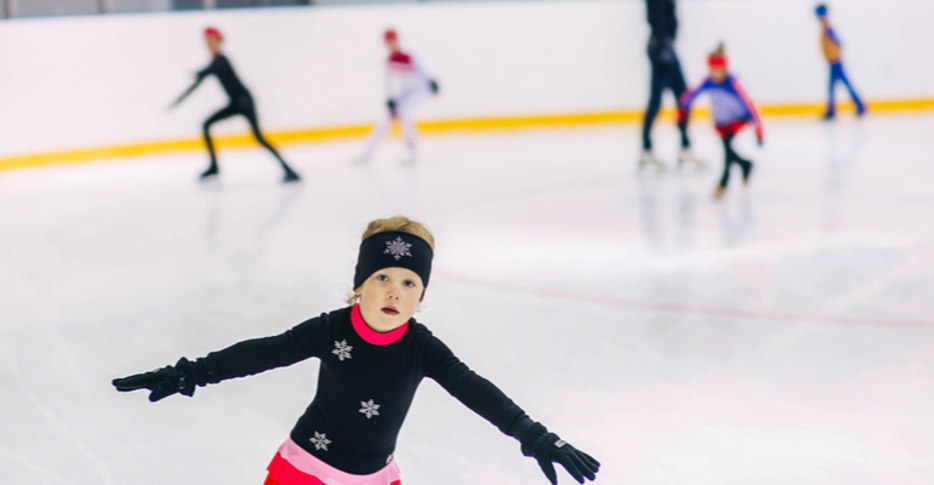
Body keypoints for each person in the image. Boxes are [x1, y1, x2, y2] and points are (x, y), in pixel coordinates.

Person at [112, 216, 600, 485]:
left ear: (420, 296)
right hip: (306, 472)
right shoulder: (331, 330)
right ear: (358, 286)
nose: (394, 291)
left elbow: (475, 389)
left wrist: (534, 434)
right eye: (382, 277)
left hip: (376, 478)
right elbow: (264, 352)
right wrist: (191, 372)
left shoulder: (421, 348)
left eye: (409, 283)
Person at [171, 27, 301, 183]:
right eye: (207, 42)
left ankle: (289, 169)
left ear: (219, 42)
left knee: (258, 137)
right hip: (234, 103)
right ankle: (214, 167)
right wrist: (178, 101)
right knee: (206, 125)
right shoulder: (215, 62)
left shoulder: (222, 61)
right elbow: (197, 83)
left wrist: (198, 73)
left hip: (245, 102)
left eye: (213, 41)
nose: (210, 45)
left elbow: (208, 71)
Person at [678, 44, 764, 199]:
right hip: (720, 122)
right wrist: (682, 110)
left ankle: (722, 184)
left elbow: (749, 105)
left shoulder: (733, 84)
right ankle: (746, 164)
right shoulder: (707, 82)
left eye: (719, 70)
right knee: (728, 151)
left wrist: (758, 130)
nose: (716, 74)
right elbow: (691, 95)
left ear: (725, 68)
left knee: (726, 152)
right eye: (713, 70)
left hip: (736, 120)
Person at [357, 30, 439, 164]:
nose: (391, 44)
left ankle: (412, 151)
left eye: (393, 41)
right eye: (388, 42)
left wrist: (431, 81)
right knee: (387, 118)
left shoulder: (410, 55)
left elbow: (424, 69)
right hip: (405, 93)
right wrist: (391, 99)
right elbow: (388, 83)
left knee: (405, 113)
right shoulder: (388, 62)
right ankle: (367, 152)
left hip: (421, 90)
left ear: (398, 40)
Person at [639, 0, 702, 169]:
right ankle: (646, 149)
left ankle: (684, 146)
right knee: (657, 100)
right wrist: (662, 50)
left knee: (683, 97)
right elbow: (655, 17)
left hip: (666, 46)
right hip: (661, 47)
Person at [815, 4, 865, 120]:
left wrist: (835, 53)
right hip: (833, 61)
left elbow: (838, 41)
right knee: (834, 86)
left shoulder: (827, 27)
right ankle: (833, 110)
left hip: (835, 62)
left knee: (842, 85)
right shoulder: (825, 26)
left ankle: (858, 106)